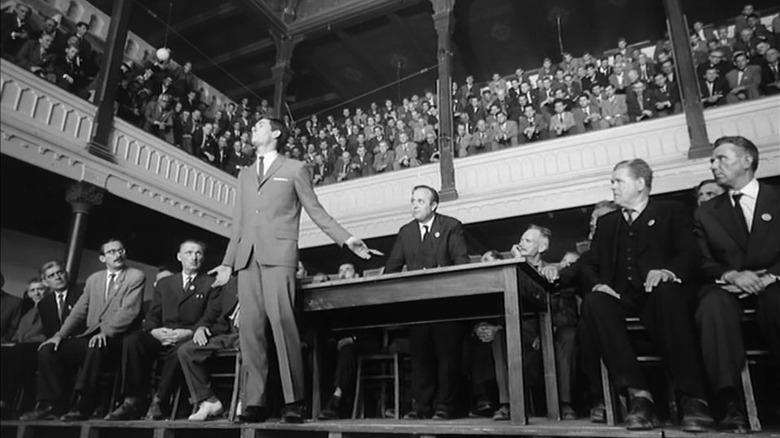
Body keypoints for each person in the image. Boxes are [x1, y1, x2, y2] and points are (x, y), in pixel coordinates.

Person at [209, 117, 373, 424]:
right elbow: (238, 223)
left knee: (284, 326)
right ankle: (255, 403)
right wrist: (228, 263)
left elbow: (316, 210)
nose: (252, 129)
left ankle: (293, 401)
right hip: (247, 259)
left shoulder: (295, 168)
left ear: (276, 132)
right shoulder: (244, 174)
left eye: (258, 125)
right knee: (250, 332)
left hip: (279, 256)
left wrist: (346, 239)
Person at [579, 159, 713, 432]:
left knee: (667, 294)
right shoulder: (607, 223)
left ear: (640, 184)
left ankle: (692, 397)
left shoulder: (671, 211)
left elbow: (690, 254)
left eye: (618, 180)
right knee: (595, 303)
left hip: (660, 294)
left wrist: (668, 271)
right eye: (612, 181)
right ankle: (639, 396)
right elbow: (589, 264)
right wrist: (597, 284)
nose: (612, 186)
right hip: (622, 297)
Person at [693, 136, 780, 433]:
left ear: (747, 161)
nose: (713, 164)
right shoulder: (707, 212)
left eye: (721, 158)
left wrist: (770, 275)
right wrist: (731, 275)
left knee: (776, 299)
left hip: (773, 281)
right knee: (712, 306)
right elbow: (703, 262)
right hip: (729, 286)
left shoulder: (776, 198)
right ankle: (729, 402)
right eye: (712, 160)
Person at [20, 239, 145, 421]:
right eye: (111, 252)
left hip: (120, 337)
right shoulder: (94, 279)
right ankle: (50, 405)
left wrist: (107, 332)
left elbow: (129, 311)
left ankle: (84, 404)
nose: (117, 254)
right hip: (92, 335)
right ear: (102, 258)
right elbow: (79, 310)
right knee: (49, 350)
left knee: (96, 346)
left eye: (120, 250)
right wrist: (59, 335)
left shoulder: (135, 276)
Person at [106, 240, 222, 420]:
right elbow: (153, 315)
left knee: (180, 351)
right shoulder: (165, 283)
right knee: (132, 340)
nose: (194, 257)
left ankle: (160, 400)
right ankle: (131, 400)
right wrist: (154, 332)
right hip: (162, 334)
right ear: (179, 257)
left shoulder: (211, 283)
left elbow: (210, 317)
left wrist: (189, 332)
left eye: (198, 253)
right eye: (189, 253)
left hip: (188, 335)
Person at [385, 185, 469, 420]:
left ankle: (445, 406)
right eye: (413, 200)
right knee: (421, 357)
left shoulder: (451, 226)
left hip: (447, 304)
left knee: (447, 357)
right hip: (418, 305)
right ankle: (421, 407)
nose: (414, 205)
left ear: (433, 206)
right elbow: (392, 267)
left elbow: (461, 261)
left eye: (420, 201)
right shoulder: (406, 232)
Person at [1, 278, 48, 416]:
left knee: (16, 352)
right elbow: (18, 334)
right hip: (21, 346)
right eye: (32, 290)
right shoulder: (28, 313)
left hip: (37, 346)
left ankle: (6, 400)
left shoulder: (52, 308)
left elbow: (47, 333)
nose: (36, 293)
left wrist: (20, 343)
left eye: (40, 289)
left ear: (47, 290)